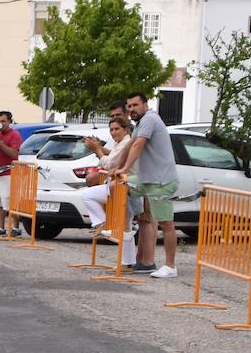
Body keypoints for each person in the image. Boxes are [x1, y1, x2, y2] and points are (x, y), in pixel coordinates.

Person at [110, 92, 179, 278]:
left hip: (160, 181)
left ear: (145, 104)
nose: (132, 109)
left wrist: (124, 168)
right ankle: (119, 225)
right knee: (118, 185)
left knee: (166, 223)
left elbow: (138, 145)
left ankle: (170, 267)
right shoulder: (141, 122)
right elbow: (129, 145)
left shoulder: (149, 119)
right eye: (129, 106)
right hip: (145, 179)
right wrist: (117, 168)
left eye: (135, 105)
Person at [76, 116, 138, 266]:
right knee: (126, 226)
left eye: (117, 129)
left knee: (87, 195)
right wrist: (98, 147)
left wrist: (97, 149)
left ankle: (103, 223)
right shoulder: (121, 143)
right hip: (120, 187)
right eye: (111, 129)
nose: (113, 132)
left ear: (126, 130)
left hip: (126, 187)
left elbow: (110, 164)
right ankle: (128, 262)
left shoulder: (126, 143)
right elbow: (112, 157)